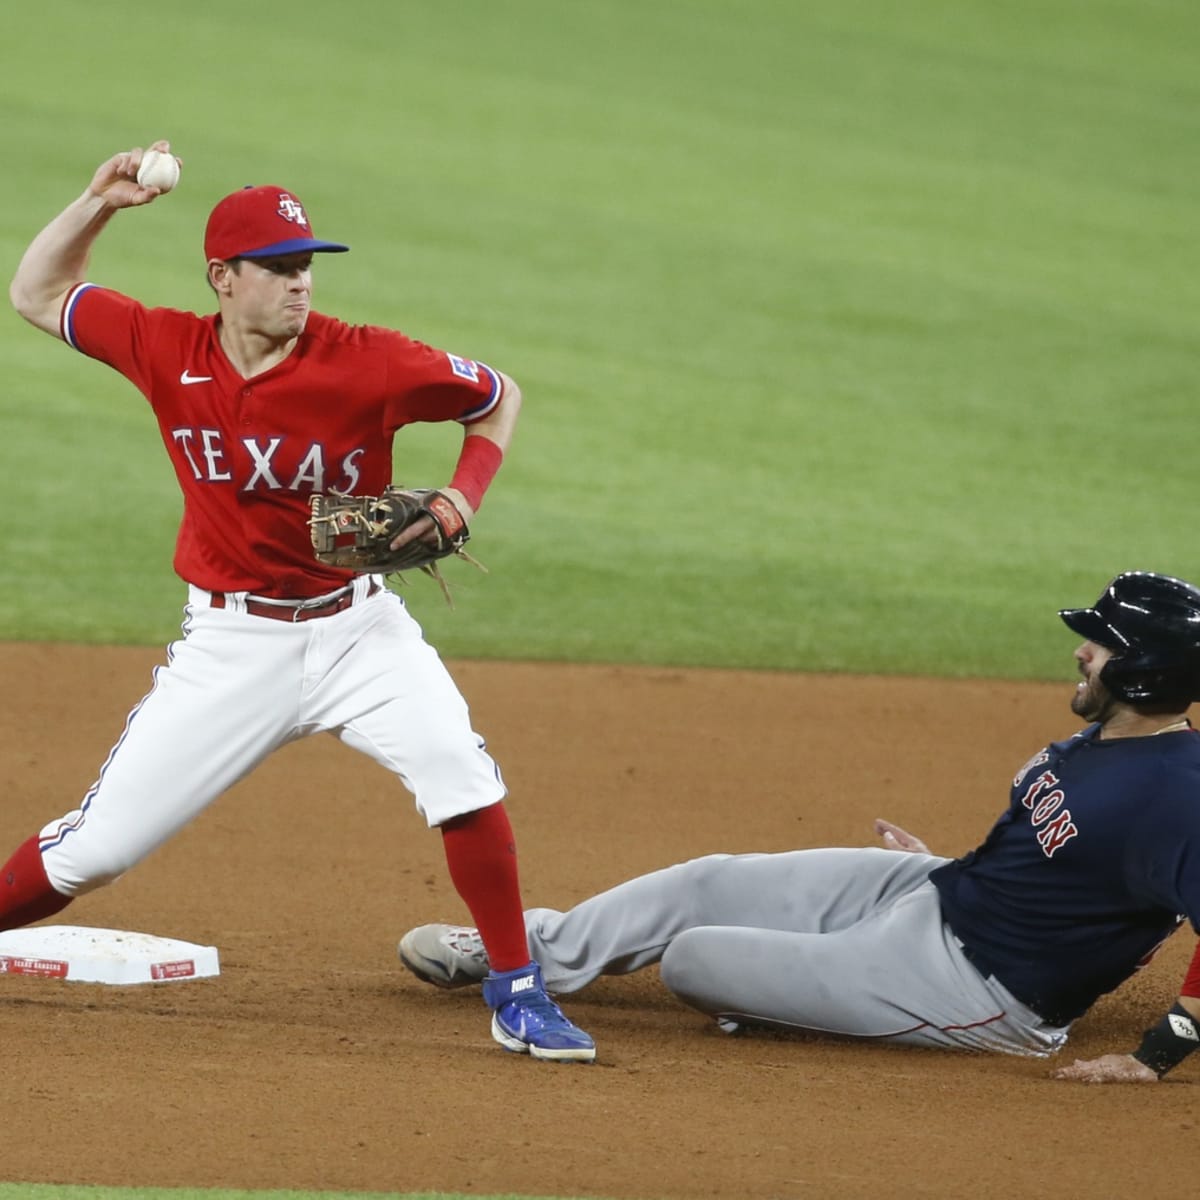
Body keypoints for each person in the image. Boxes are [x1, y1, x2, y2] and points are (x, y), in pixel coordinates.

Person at [4, 140, 594, 1063]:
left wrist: (459, 496)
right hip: (232, 646)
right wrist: (98, 202)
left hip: (361, 630)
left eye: (307, 265)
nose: (299, 284)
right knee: (96, 852)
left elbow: (496, 395)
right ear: (223, 279)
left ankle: (517, 991)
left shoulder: (374, 362)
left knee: (460, 775)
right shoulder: (165, 344)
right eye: (278, 269)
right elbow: (36, 294)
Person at [400, 571, 1200, 1082]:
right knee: (708, 881)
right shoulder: (1115, 733)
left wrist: (1156, 1055)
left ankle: (799, 990)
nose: (1082, 652)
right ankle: (524, 951)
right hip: (943, 891)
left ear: (1145, 670)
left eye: (1101, 644)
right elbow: (1073, 856)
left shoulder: (1177, 796)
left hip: (984, 991)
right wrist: (956, 868)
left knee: (695, 959)